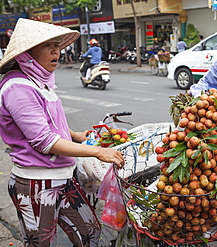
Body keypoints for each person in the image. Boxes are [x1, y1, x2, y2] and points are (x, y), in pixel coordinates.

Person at [0, 18, 124, 246]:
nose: (55, 51)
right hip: (36, 183)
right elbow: (44, 140)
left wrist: (76, 135)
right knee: (41, 243)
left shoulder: (40, 81)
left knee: (89, 231)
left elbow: (49, 123)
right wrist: (97, 152)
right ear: (27, 52)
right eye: (48, 46)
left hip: (63, 177)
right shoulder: (18, 86)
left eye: (57, 45)